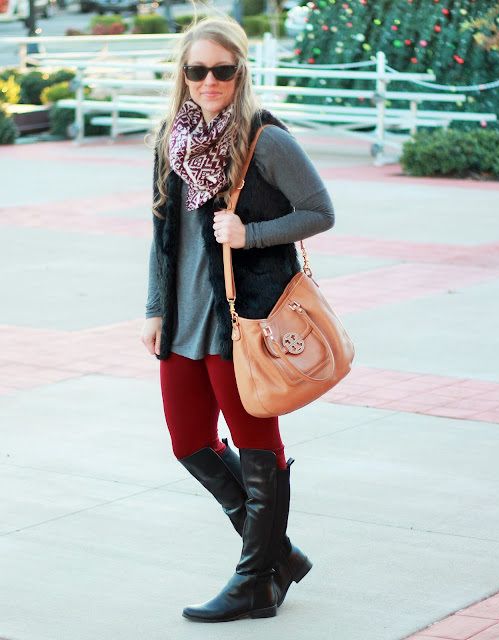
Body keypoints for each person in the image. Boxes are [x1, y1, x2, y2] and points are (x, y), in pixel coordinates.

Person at [141, 16, 335, 623]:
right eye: (197, 70)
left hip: (244, 320)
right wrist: (153, 308)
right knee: (190, 442)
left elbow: (319, 211)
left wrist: (250, 234)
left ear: (240, 72)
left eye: (222, 70)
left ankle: (256, 581)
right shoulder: (170, 140)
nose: (209, 81)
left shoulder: (264, 139)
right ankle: (277, 554)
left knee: (257, 444)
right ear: (183, 74)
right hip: (183, 319)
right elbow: (160, 233)